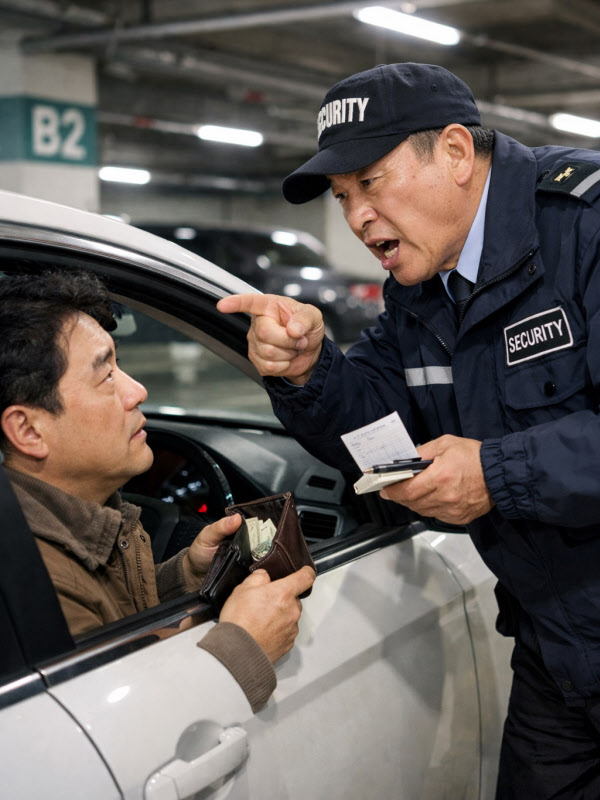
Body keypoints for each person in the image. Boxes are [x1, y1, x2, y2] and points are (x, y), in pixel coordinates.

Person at [218, 62, 600, 795]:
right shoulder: (420, 291)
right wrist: (308, 370)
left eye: (371, 182)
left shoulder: (584, 227)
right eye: (342, 196)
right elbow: (377, 428)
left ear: (455, 152)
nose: (357, 217)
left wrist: (495, 474)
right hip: (556, 647)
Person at [0, 269, 315, 714]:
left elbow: (114, 628)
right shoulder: (30, 586)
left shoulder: (74, 523)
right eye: (106, 376)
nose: (137, 391)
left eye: (120, 366)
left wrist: (184, 577)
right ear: (28, 430)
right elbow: (118, 734)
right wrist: (245, 648)